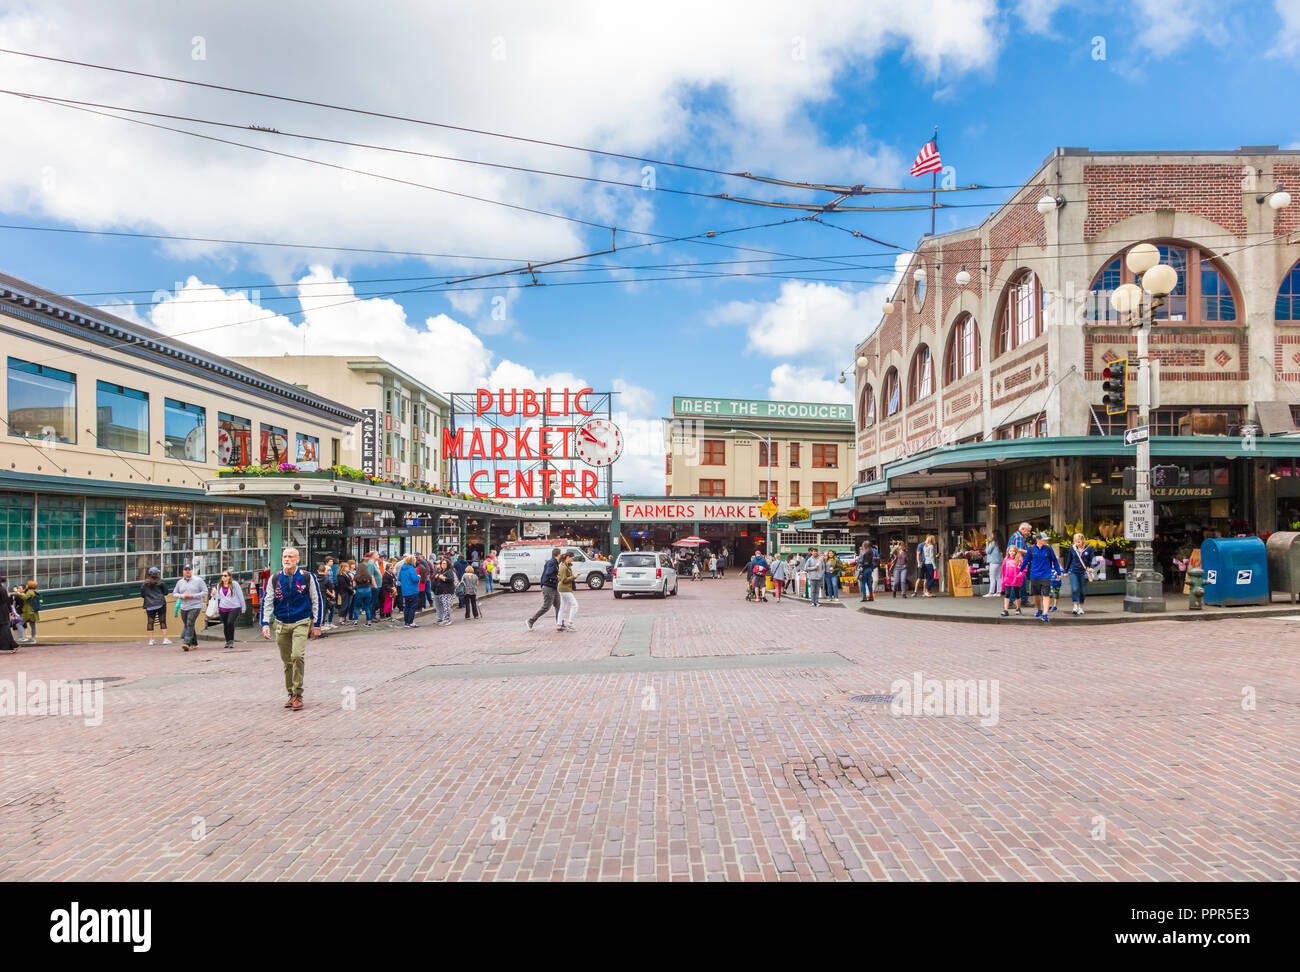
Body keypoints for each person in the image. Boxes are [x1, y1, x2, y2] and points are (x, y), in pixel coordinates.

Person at [260, 546, 323, 711]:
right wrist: (265, 623)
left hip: (300, 621)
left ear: (297, 560)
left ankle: (298, 693)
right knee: (287, 661)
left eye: (290, 557)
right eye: (284, 556)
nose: (287, 559)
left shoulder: (307, 577)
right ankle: (291, 693)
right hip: (281, 623)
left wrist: (317, 624)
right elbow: (267, 601)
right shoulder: (275, 578)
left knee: (297, 656)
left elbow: (317, 600)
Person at [1020, 532, 1063, 622]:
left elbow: (1054, 560)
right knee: (1036, 595)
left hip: (1046, 575)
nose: (1046, 541)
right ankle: (1039, 609)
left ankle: (1045, 614)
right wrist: (1020, 571)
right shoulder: (1031, 549)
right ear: (1038, 540)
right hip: (1034, 575)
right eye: (1044, 539)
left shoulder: (1048, 548)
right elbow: (1026, 560)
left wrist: (1058, 572)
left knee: (1046, 595)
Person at [174, 564, 208, 652]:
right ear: (183, 571)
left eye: (189, 570)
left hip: (195, 605)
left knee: (190, 622)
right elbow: (174, 593)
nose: (187, 571)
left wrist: (193, 596)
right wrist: (182, 596)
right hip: (184, 606)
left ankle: (186, 643)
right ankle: (195, 643)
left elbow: (205, 592)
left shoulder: (199, 580)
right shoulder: (180, 582)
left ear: (192, 571)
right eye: (186, 570)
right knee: (188, 624)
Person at [527, 548, 562, 631]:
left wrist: (542, 585)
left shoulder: (553, 562)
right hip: (549, 587)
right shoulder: (552, 562)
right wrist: (557, 577)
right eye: (560, 554)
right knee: (546, 607)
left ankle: (559, 624)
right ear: (558, 554)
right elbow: (548, 573)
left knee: (558, 606)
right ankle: (531, 621)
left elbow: (544, 574)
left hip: (552, 587)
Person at [1064, 533, 1097, 616]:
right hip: (1073, 571)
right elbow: (1069, 559)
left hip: (1084, 572)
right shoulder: (1072, 548)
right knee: (1075, 589)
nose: (1076, 543)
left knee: (1082, 591)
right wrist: (1066, 571)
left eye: (1078, 541)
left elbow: (1093, 559)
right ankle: (1075, 606)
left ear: (1082, 540)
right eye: (1075, 541)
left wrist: (1092, 567)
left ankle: (1080, 607)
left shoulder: (1089, 549)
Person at [212, 569, 246, 648]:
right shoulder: (219, 585)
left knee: (230, 622)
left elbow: (240, 596)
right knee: (225, 625)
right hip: (223, 607)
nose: (223, 577)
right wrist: (213, 594)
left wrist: (243, 607)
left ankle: (231, 640)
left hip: (234, 607)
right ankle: (227, 641)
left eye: (225, 575)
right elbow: (218, 597)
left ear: (229, 577)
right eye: (222, 575)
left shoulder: (235, 584)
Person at [141, 566, 172, 645]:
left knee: (150, 622)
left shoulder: (144, 583)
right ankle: (165, 639)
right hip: (160, 603)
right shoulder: (161, 582)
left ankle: (151, 640)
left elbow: (142, 595)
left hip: (149, 605)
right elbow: (166, 592)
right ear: (157, 573)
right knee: (162, 621)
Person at [1007, 522, 1034, 609]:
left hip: (1014, 562)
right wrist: (1030, 551)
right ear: (1023, 529)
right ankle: (1011, 602)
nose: (1029, 533)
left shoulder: (1015, 535)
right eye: (1028, 531)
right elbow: (1018, 550)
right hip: (1018, 563)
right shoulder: (1019, 537)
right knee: (1018, 581)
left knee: (1022, 582)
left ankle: (1024, 600)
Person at [1000, 548, 1025, 617]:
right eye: (1010, 551)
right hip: (1007, 580)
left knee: (1017, 594)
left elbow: (1023, 569)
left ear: (1015, 552)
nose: (1012, 552)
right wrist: (1003, 579)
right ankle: (1005, 610)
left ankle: (1018, 608)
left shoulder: (1019, 560)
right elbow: (1003, 571)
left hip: (1016, 580)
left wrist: (1020, 575)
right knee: (1007, 594)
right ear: (1008, 552)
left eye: (1013, 551)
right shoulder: (1006, 560)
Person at [556, 551, 578, 631]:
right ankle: (570, 624)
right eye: (572, 558)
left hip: (563, 589)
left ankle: (559, 625)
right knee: (575, 605)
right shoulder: (563, 567)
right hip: (565, 588)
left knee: (563, 607)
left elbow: (561, 578)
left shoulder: (564, 565)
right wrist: (574, 577)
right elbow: (564, 580)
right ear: (568, 557)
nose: (573, 560)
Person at [432, 557, 456, 626]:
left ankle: (447, 619)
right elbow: (435, 577)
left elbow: (451, 579)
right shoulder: (441, 571)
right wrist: (437, 577)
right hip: (441, 591)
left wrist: (443, 578)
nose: (443, 565)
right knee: (443, 606)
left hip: (447, 591)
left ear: (448, 564)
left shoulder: (449, 571)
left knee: (446, 606)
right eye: (442, 563)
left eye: (445, 563)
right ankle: (444, 618)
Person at [399, 555, 422, 627]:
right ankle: (411, 622)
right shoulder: (412, 569)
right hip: (413, 590)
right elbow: (414, 579)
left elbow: (399, 578)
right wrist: (418, 577)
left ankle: (406, 622)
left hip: (405, 590)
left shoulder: (402, 569)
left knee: (406, 607)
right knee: (413, 607)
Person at [352, 557, 375, 626]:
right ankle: (369, 622)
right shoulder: (369, 576)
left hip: (359, 591)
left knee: (356, 607)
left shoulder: (356, 576)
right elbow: (372, 583)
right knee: (367, 607)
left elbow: (354, 585)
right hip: (368, 591)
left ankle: (355, 621)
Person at [984, 530, 1004, 597]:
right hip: (1000, 562)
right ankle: (998, 592)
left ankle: (991, 593)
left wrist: (987, 545)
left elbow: (987, 551)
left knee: (992, 577)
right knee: (999, 577)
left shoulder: (993, 543)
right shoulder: (1001, 543)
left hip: (993, 562)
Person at [0, 573, 17, 653]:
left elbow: (5, 601)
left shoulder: (1, 589)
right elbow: (7, 601)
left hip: (2, 612)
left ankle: (13, 645)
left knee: (4, 630)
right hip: (3, 612)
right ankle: (13, 645)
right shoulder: (3, 589)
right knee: (4, 629)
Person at [335, 560, 355, 626]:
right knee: (344, 605)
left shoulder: (346, 574)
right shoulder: (341, 575)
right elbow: (344, 585)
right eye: (346, 567)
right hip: (344, 592)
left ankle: (344, 619)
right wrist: (351, 590)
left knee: (347, 606)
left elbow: (350, 582)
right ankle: (341, 619)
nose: (348, 568)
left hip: (348, 592)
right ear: (343, 568)